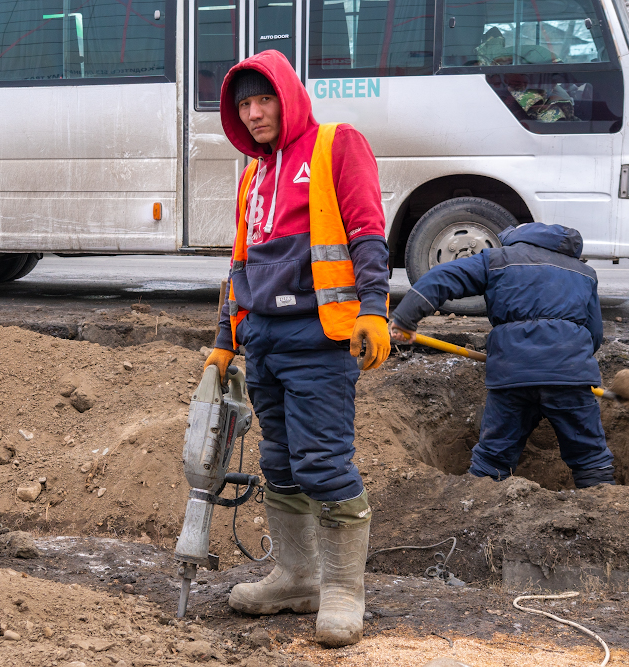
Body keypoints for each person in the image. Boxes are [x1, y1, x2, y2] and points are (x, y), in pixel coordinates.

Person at [202, 50, 390, 647]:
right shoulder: (254, 177)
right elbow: (239, 265)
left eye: (264, 100)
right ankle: (296, 577)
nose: (254, 114)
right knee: (279, 462)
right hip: (263, 338)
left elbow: (365, 230)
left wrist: (374, 308)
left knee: (323, 462)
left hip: (318, 338)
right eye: (244, 106)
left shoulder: (336, 144)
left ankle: (341, 590)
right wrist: (225, 343)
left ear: (288, 97)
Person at [389, 222, 616, 489]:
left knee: (493, 458)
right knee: (590, 457)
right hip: (571, 375)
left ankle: (477, 507)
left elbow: (441, 278)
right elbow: (594, 334)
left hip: (512, 375)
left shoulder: (497, 260)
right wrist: (569, 361)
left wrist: (405, 319)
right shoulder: (584, 273)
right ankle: (602, 511)